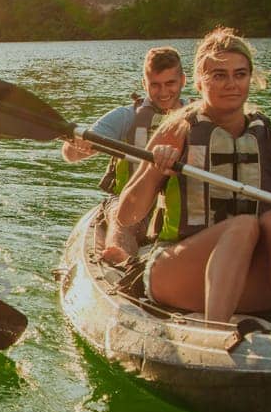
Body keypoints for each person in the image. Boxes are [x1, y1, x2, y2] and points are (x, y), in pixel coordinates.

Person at [115, 28, 271, 332]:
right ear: (199, 81)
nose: (231, 84)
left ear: (251, 78)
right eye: (219, 75)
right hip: (179, 272)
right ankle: (215, 336)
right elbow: (126, 215)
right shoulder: (177, 132)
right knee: (243, 225)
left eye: (240, 74)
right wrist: (154, 169)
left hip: (251, 281)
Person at [61, 46, 188, 264]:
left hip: (182, 204)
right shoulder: (125, 116)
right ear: (143, 84)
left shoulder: (199, 117)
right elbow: (69, 155)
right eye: (155, 85)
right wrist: (77, 144)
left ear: (183, 81)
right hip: (129, 200)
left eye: (170, 83)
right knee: (121, 216)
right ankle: (122, 260)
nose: (164, 92)